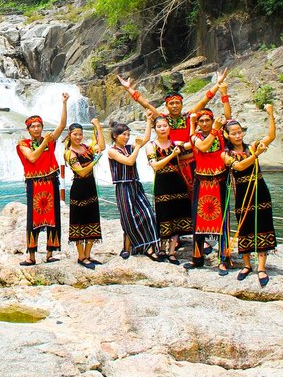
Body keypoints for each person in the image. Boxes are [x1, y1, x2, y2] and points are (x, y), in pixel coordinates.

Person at [118, 69, 228, 191]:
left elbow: (204, 100)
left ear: (182, 104)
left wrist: (218, 83)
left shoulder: (189, 117)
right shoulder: (163, 121)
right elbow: (146, 104)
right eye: (171, 103)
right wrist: (129, 89)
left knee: (195, 195)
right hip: (172, 164)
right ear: (166, 106)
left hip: (192, 163)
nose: (174, 106)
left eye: (177, 103)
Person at [222, 104, 277, 287]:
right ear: (227, 135)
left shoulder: (252, 146)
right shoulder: (225, 154)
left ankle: (261, 267)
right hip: (242, 192)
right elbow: (239, 166)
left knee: (262, 225)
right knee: (244, 226)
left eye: (240, 132)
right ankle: (247, 265)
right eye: (234, 133)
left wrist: (270, 114)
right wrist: (256, 155)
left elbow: (271, 137)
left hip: (260, 190)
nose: (238, 136)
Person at [16, 94, 68, 266]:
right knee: (34, 218)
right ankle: (31, 256)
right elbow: (32, 158)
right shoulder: (23, 144)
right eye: (33, 126)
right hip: (34, 184)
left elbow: (62, 126)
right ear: (28, 129)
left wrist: (64, 103)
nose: (37, 129)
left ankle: (50, 254)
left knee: (53, 217)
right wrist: (45, 143)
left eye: (39, 126)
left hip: (51, 181)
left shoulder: (49, 140)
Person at [186, 83, 233, 272]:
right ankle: (197, 258)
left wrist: (224, 94)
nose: (205, 123)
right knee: (198, 220)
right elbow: (204, 147)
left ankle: (224, 259)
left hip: (220, 182)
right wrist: (215, 129)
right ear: (198, 123)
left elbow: (228, 117)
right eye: (202, 121)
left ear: (212, 121)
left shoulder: (221, 134)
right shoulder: (195, 137)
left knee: (223, 220)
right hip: (202, 183)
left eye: (208, 120)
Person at [108, 117, 161, 261]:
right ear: (115, 136)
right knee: (129, 218)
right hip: (123, 186)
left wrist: (149, 120)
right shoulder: (112, 151)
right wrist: (137, 147)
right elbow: (129, 161)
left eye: (128, 134)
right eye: (123, 134)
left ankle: (150, 246)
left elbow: (146, 138)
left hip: (135, 184)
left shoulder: (129, 147)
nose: (126, 137)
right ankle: (127, 248)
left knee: (148, 214)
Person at [146, 115, 193, 264]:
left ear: (169, 127)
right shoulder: (151, 146)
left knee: (177, 216)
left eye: (165, 126)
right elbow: (155, 166)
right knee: (163, 216)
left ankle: (172, 252)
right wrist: (172, 155)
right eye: (159, 126)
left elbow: (192, 143)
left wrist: (192, 123)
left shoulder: (175, 143)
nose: (162, 129)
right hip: (162, 185)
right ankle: (161, 249)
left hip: (178, 184)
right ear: (155, 129)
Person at [64, 119, 104, 269]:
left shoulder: (86, 148)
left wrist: (98, 127)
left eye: (80, 134)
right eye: (75, 134)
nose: (78, 137)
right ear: (70, 135)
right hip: (79, 190)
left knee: (92, 219)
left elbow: (101, 146)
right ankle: (81, 256)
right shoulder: (69, 153)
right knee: (79, 222)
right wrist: (94, 162)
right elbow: (81, 172)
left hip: (90, 188)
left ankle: (88, 254)